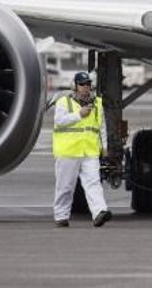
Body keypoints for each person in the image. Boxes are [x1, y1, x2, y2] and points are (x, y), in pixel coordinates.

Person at [52, 71, 111, 228]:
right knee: (65, 186)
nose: (86, 87)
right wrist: (79, 115)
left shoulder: (97, 103)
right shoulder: (64, 102)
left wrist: (104, 148)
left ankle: (99, 212)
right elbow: (59, 121)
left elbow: (101, 127)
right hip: (68, 151)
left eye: (88, 84)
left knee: (93, 183)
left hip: (89, 151)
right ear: (75, 86)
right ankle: (61, 215)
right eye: (82, 84)